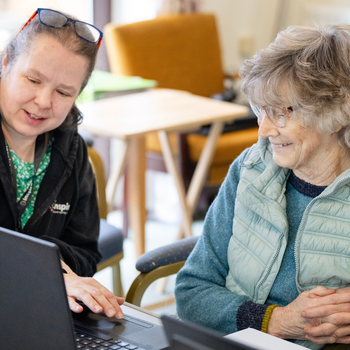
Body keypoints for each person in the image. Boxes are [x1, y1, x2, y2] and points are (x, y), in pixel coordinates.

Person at [175, 24, 350, 349]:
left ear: (337, 113)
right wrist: (275, 321)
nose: (265, 129)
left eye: (280, 113)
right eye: (259, 109)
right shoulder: (250, 169)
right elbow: (192, 290)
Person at [0, 8, 124, 319]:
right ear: (5, 63)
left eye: (63, 91)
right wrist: (41, 268)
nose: (43, 101)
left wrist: (54, 271)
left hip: (34, 313)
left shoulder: (72, 150)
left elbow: (84, 252)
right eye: (33, 79)